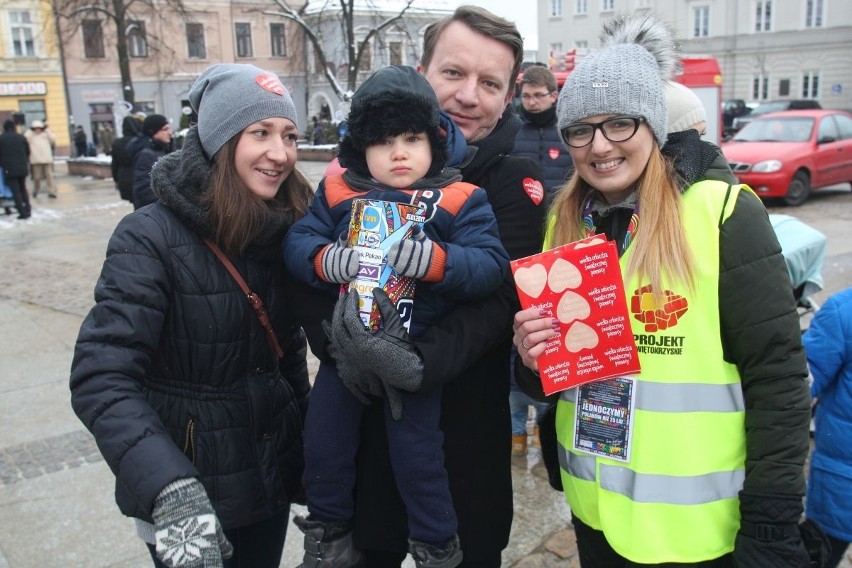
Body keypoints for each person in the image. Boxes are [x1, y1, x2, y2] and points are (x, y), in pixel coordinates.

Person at [512, 13, 812, 567]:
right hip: (596, 512)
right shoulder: (565, 221)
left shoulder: (721, 213)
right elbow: (555, 376)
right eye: (580, 129)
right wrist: (530, 358)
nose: (599, 146)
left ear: (652, 124)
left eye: (619, 123)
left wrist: (771, 523)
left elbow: (778, 378)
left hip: (697, 532)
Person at [311, 6, 546, 567]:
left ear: (509, 93)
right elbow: (308, 269)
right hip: (367, 428)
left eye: (489, 83)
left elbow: (498, 302)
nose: (469, 95)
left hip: (464, 439)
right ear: (421, 72)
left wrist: (412, 360)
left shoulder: (513, 182)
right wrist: (342, 345)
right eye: (453, 73)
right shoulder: (355, 173)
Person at [69, 63, 314, 568]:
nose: (280, 153)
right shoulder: (149, 237)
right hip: (187, 495)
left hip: (264, 483)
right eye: (260, 133)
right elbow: (102, 377)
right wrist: (169, 487)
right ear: (221, 142)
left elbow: (287, 363)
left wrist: (318, 461)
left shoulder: (284, 229)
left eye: (289, 135)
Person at [284, 64, 509, 568]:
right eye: (383, 140)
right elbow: (298, 243)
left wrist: (437, 263)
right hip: (347, 348)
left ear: (436, 139)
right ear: (361, 148)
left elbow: (491, 265)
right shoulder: (339, 193)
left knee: (419, 455)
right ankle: (328, 531)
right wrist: (325, 259)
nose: (399, 152)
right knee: (323, 440)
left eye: (411, 137)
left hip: (412, 353)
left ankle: (436, 544)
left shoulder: (460, 198)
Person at [804, 287, 852, 568]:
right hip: (841, 485)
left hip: (839, 482)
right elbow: (800, 384)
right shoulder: (843, 313)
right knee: (820, 557)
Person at [511, 65, 574, 204]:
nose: (532, 102)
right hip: (520, 209)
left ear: (553, 96)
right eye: (526, 96)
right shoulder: (510, 129)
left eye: (538, 95)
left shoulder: (569, 130)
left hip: (561, 210)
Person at [132, 113, 174, 209]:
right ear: (152, 131)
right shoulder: (146, 155)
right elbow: (145, 190)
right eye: (165, 129)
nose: (170, 132)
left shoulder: (162, 150)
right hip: (156, 213)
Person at [0, 119, 31, 219]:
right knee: (23, 188)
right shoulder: (21, 137)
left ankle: (22, 212)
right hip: (22, 167)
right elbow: (28, 151)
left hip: (9, 168)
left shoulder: (2, 138)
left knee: (15, 191)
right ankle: (28, 209)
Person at [111, 115, 146, 202]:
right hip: (137, 176)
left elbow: (114, 164)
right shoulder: (139, 142)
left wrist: (116, 180)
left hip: (123, 177)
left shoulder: (117, 142)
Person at [24, 119, 57, 198]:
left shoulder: (45, 135)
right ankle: (36, 190)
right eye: (35, 128)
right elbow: (25, 138)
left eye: (39, 128)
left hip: (46, 159)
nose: (38, 130)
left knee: (49, 176)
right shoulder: (31, 136)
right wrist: (30, 130)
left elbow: (53, 139)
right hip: (36, 160)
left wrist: (47, 129)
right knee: (37, 177)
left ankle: (51, 191)